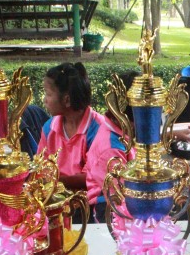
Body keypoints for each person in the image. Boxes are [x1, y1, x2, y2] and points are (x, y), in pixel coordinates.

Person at [37, 62, 132, 222]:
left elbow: (90, 178)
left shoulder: (98, 129)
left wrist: (56, 181)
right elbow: (41, 166)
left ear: (67, 100)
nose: (45, 100)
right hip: (58, 199)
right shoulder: (49, 128)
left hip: (85, 206)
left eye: (48, 94)